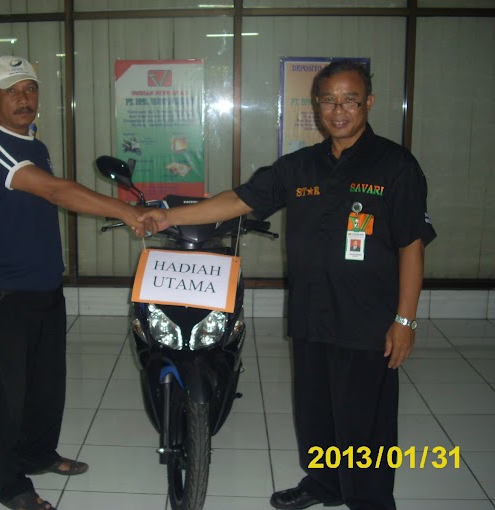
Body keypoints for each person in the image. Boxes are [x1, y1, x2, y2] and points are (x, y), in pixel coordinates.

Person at [139, 60, 436, 510]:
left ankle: (371, 501)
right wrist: (168, 217)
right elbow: (239, 199)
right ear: (316, 105)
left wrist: (405, 320)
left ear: (368, 103)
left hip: (367, 322)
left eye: (350, 100)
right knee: (315, 412)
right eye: (329, 100)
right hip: (311, 315)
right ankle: (325, 485)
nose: (338, 110)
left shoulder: (396, 165)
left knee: (366, 424)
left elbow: (412, 245)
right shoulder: (300, 166)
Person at [0, 55, 152, 510]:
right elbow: (55, 191)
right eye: (11, 91)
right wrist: (125, 210)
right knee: (7, 393)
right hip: (7, 292)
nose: (23, 98)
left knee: (47, 383)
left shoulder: (36, 145)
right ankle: (12, 486)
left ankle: (38, 453)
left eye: (29, 89)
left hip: (44, 284)